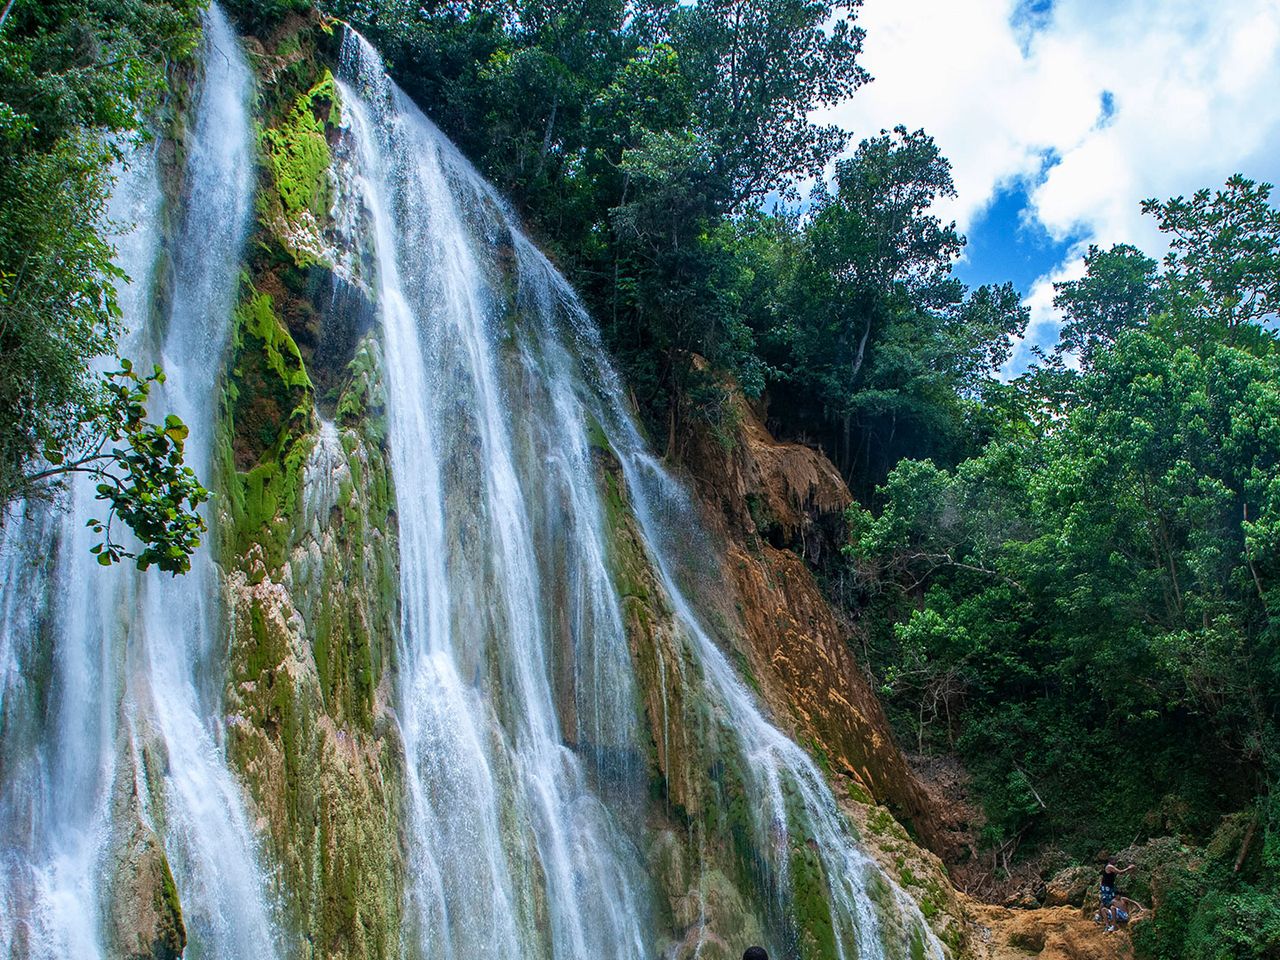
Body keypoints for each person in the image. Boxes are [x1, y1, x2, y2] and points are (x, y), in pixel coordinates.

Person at [1100, 857, 1136, 932]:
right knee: (1105, 901)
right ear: (1110, 860)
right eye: (1114, 860)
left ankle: (1108, 918)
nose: (1116, 861)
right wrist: (1129, 868)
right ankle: (1102, 917)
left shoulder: (1110, 866)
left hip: (1109, 886)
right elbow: (1120, 872)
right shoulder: (1109, 866)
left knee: (1107, 901)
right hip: (1107, 887)